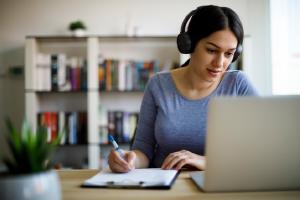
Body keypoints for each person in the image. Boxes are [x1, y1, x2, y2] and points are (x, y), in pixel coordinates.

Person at [108, 5, 258, 173]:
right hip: (165, 186)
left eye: (229, 54)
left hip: (219, 187)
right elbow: (143, 151)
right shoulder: (158, 85)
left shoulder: (238, 85)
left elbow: (261, 149)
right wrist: (129, 159)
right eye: (211, 50)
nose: (220, 63)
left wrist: (205, 161)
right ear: (189, 44)